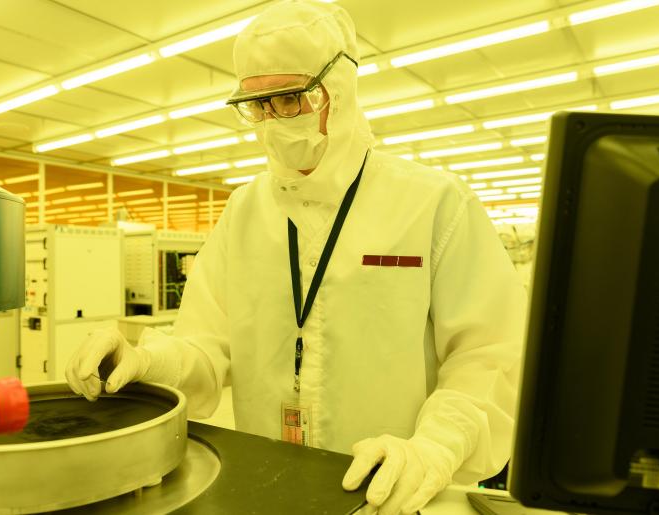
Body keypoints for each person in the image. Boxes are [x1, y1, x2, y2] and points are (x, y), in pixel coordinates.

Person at [66, 1, 527, 513]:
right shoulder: (245, 210)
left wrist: (434, 448)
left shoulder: (433, 203)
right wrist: (146, 359)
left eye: (289, 98)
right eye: (257, 103)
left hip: (390, 492)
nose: (271, 120)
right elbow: (207, 346)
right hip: (270, 482)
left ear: (341, 90)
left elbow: (487, 356)